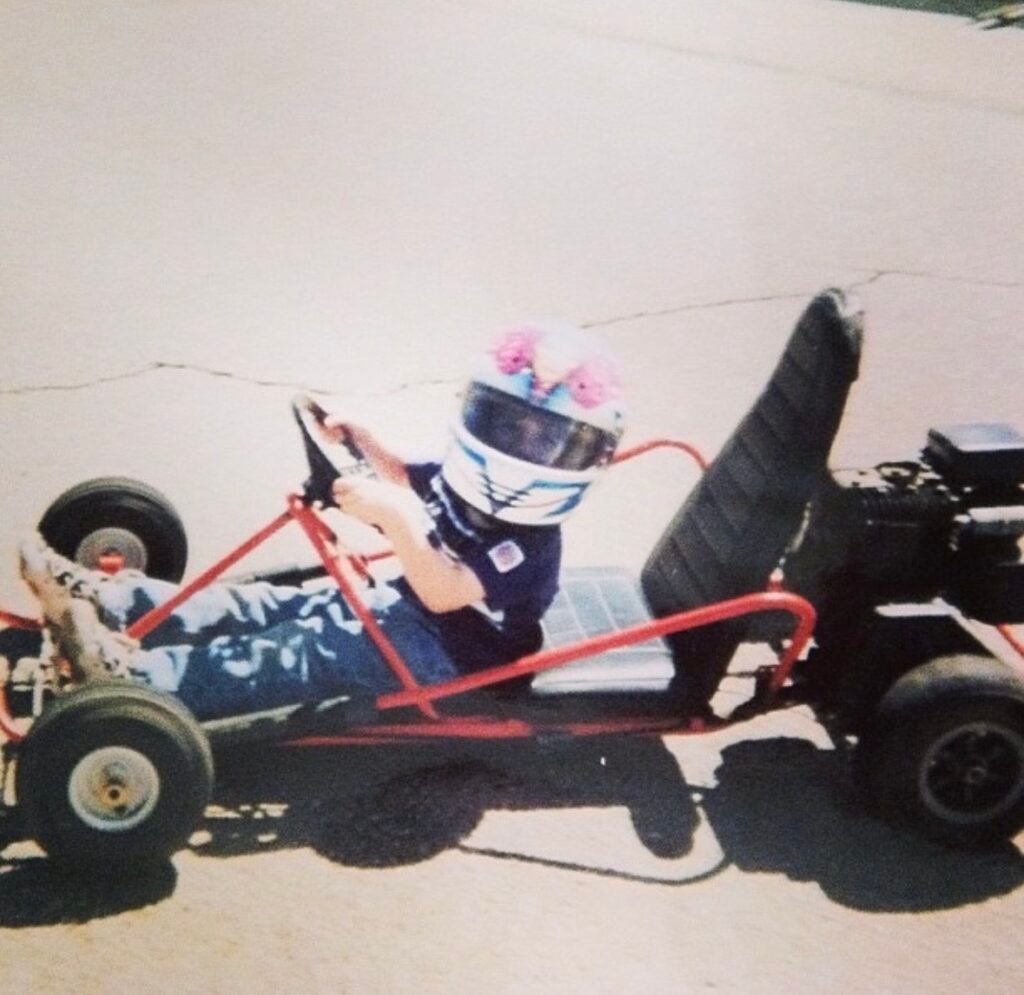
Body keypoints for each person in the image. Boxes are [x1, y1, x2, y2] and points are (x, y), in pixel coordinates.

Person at [16, 322, 625, 720]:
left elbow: (443, 593)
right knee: (266, 608)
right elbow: (403, 473)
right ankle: (113, 602)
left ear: (584, 456)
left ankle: (136, 681)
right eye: (505, 422)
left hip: (454, 658)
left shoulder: (531, 546)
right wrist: (358, 434)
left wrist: (394, 518)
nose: (517, 444)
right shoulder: (464, 479)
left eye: (543, 439)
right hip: (401, 606)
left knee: (297, 651)